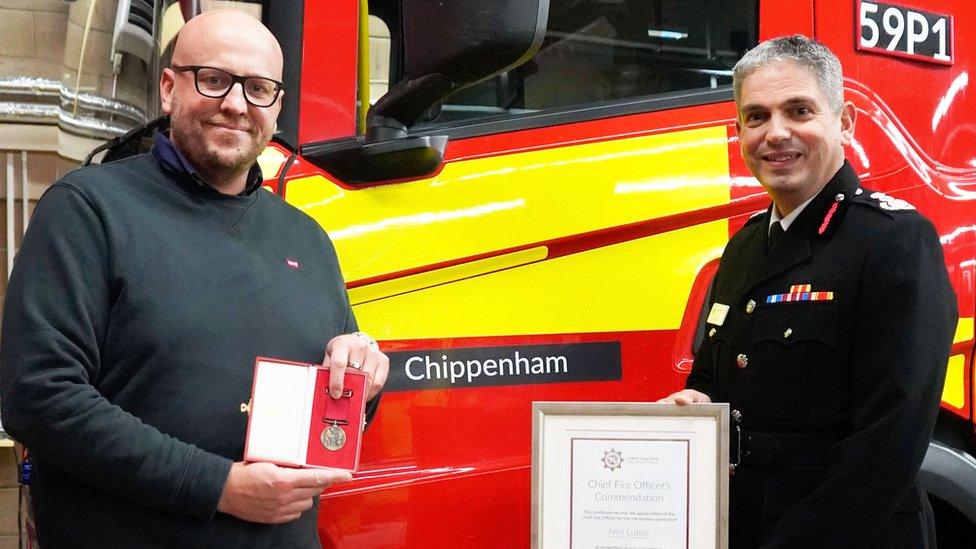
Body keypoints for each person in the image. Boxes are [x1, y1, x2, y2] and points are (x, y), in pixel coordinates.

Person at [0, 10, 389, 547]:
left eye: (258, 88)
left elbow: (329, 409)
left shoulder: (307, 238)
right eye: (213, 79)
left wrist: (362, 380)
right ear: (168, 88)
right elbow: (39, 397)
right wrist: (219, 487)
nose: (235, 104)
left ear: (276, 107)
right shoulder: (88, 210)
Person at [660, 35, 956, 548]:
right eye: (756, 117)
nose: (775, 133)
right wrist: (696, 407)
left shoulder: (894, 241)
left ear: (843, 122)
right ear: (739, 132)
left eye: (798, 110)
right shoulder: (745, 247)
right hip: (748, 528)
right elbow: (714, 380)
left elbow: (890, 440)